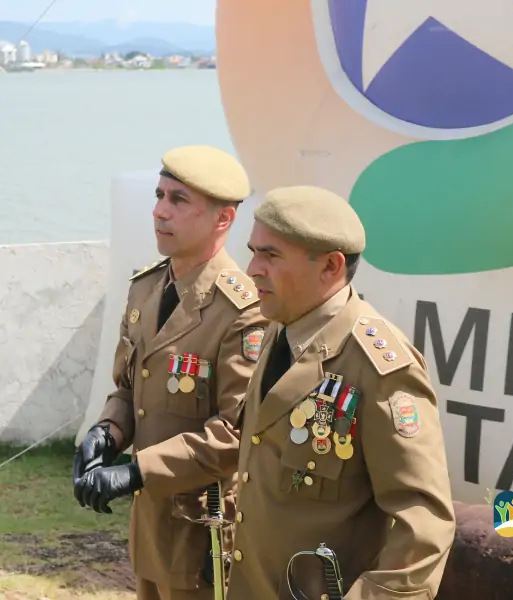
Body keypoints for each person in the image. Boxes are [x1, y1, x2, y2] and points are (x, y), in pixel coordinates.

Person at [226, 185, 456, 600]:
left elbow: (423, 524)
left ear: (331, 267)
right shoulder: (280, 328)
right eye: (254, 251)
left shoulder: (379, 367)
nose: (252, 269)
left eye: (271, 255)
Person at [72, 145, 269, 600]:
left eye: (179, 201)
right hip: (151, 524)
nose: (160, 211)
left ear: (223, 220)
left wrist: (135, 472)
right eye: (160, 195)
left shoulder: (244, 310)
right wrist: (109, 431)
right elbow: (130, 386)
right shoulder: (146, 290)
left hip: (204, 528)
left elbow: (236, 434)